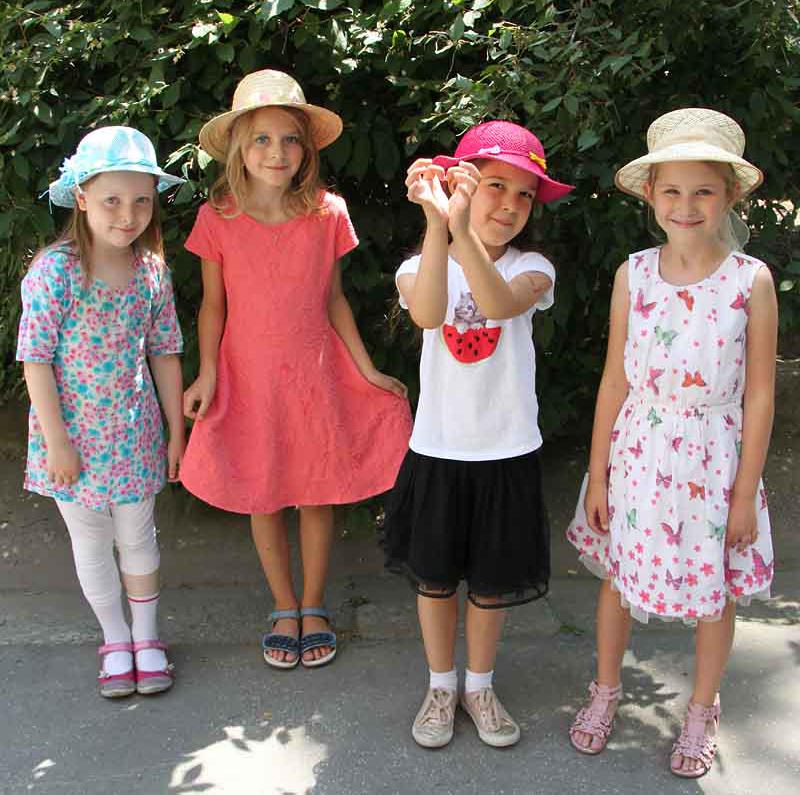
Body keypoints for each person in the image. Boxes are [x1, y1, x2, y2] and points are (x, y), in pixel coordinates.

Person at [566, 108, 777, 778]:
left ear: (730, 195)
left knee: (715, 589)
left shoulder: (750, 281)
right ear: (651, 195)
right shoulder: (634, 274)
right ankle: (605, 689)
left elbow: (760, 394)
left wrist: (744, 491)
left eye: (703, 190)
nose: (686, 205)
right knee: (619, 578)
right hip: (640, 454)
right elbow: (614, 379)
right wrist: (598, 473)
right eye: (673, 191)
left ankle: (702, 707)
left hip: (716, 462)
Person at [179, 69, 412, 670]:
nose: (276, 152)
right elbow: (213, 305)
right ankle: (283, 606)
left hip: (315, 374)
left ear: (306, 150)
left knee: (315, 490)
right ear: (239, 147)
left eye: (289, 140)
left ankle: (313, 605)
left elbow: (334, 299)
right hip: (249, 376)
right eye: (261, 139)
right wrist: (207, 373)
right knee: (263, 491)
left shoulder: (327, 213)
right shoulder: (217, 217)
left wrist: (366, 370)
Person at [384, 119, 573, 748]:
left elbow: (496, 305)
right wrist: (439, 223)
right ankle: (441, 685)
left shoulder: (533, 267)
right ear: (460, 187)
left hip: (507, 449)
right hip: (438, 448)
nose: (512, 205)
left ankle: (479, 686)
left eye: (525, 195)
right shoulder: (420, 264)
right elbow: (428, 313)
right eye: (495, 185)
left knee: (492, 585)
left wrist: (460, 227)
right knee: (435, 581)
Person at [17, 126, 185, 698]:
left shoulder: (151, 271)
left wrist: (176, 432)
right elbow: (36, 360)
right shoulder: (55, 271)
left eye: (141, 200)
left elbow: (164, 351)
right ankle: (114, 639)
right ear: (82, 197)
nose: (128, 215)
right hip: (71, 440)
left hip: (135, 433)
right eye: (112, 200)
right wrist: (58, 442)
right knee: (90, 541)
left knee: (137, 535)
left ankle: (146, 637)